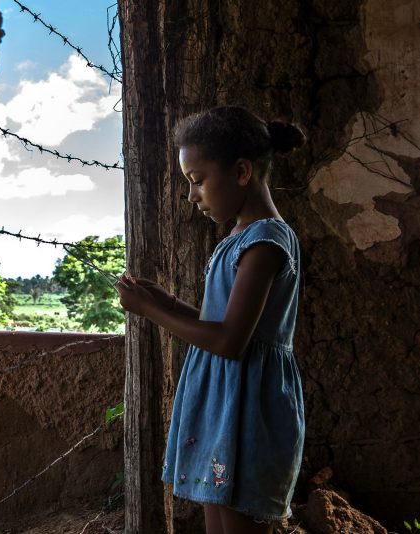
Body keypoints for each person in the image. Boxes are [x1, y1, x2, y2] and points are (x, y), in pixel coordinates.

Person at [116, 105, 307, 534]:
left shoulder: (266, 242)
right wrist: (165, 301)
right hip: (222, 403)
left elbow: (229, 341)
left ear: (242, 172)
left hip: (250, 409)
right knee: (216, 518)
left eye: (197, 181)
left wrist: (152, 311)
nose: (192, 196)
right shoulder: (237, 238)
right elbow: (214, 322)